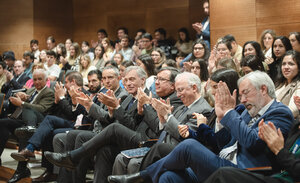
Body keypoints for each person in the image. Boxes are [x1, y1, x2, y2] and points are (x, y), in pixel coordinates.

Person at [109, 71, 294, 183]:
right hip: (222, 160)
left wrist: (229, 114)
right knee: (169, 177)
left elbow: (252, 142)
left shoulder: (280, 112)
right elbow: (222, 143)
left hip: (243, 173)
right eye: (242, 94)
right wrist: (222, 118)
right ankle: (143, 176)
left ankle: (142, 176)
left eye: (246, 93)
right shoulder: (247, 111)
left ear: (263, 89)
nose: (243, 99)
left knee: (189, 146)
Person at [204, 118, 300, 183]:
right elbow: (280, 163)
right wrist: (269, 145)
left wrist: (279, 150)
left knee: (223, 174)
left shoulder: (280, 113)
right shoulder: (297, 127)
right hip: (275, 176)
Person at [0, 69, 55, 182]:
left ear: (46, 80)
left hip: (40, 123)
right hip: (24, 121)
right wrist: (18, 97)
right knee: (3, 123)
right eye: (34, 79)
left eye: (40, 79)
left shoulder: (49, 92)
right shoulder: (31, 90)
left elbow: (42, 109)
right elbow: (19, 105)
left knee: (25, 129)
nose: (37, 81)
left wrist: (23, 103)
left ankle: (21, 170)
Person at [275, 50, 300, 118]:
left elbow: (292, 111)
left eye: (291, 64)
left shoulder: (298, 85)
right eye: (284, 64)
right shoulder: (279, 83)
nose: (286, 67)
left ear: (299, 68)